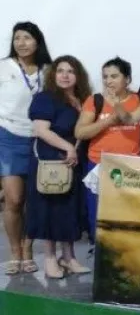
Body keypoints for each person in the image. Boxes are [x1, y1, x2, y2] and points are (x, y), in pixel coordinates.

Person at [26, 55, 90, 279]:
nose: (64, 75)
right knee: (49, 209)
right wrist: (68, 148)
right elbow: (41, 130)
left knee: (69, 209)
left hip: (74, 162)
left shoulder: (84, 99)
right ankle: (50, 259)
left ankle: (69, 257)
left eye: (70, 71)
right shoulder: (45, 98)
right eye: (60, 70)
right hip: (52, 160)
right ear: (53, 74)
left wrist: (75, 152)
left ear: (78, 75)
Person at [75, 57, 140, 245]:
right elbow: (80, 132)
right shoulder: (95, 100)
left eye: (114, 76)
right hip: (99, 165)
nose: (108, 81)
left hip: (131, 166)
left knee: (128, 216)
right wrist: (107, 121)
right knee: (98, 216)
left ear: (127, 79)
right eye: (105, 77)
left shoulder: (139, 100)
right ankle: (100, 255)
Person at [1, 21, 51, 275]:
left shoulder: (48, 70)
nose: (21, 43)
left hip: (38, 140)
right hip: (7, 136)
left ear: (37, 41)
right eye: (17, 38)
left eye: (27, 38)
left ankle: (28, 249)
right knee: (13, 199)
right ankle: (14, 252)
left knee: (33, 199)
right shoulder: (4, 67)